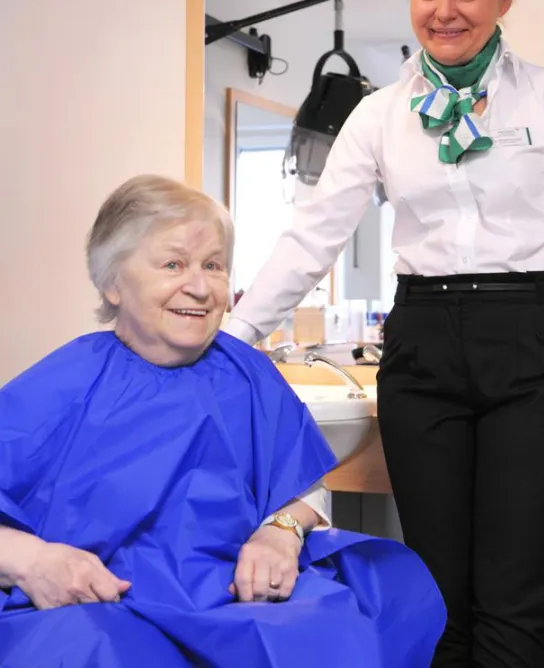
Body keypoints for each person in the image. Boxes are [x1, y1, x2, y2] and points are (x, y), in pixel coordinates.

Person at [226, 0, 544, 667]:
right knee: (434, 599)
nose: (446, 11)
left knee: (513, 607)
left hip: (539, 339)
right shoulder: (380, 114)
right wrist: (234, 340)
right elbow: (313, 235)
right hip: (425, 345)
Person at [0, 175, 445, 668]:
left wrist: (279, 532)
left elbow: (302, 487)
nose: (199, 285)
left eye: (213, 265)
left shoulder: (247, 372)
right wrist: (34, 562)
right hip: (107, 603)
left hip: (233, 591)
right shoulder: (61, 385)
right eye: (173, 264)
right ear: (112, 282)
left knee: (335, 627)